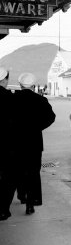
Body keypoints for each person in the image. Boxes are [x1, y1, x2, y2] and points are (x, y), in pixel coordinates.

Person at [11, 73, 55, 216]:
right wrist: (38, 127)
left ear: (20, 84)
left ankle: (21, 195)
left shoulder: (12, 99)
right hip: (34, 142)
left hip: (15, 142)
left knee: (18, 170)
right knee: (33, 172)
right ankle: (31, 204)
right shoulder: (41, 100)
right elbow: (51, 117)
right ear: (34, 85)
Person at [0, 67, 15, 220]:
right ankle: (4, 209)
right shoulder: (10, 98)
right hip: (7, 146)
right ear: (4, 80)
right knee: (8, 178)